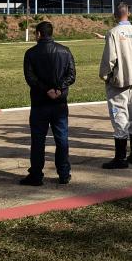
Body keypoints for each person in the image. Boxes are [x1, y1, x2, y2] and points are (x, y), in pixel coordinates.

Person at [21, 21, 76, 186]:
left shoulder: (30, 53)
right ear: (51, 33)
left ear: (38, 34)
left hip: (40, 103)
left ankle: (36, 175)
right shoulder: (65, 51)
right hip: (59, 103)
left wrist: (46, 90)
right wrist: (59, 88)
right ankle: (64, 173)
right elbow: (71, 75)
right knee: (62, 138)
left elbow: (31, 78)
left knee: (38, 140)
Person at [99, 3, 132, 169]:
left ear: (115, 15)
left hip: (119, 83)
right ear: (129, 14)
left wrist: (106, 77)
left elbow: (109, 60)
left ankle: (120, 158)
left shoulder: (113, 33)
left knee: (119, 117)